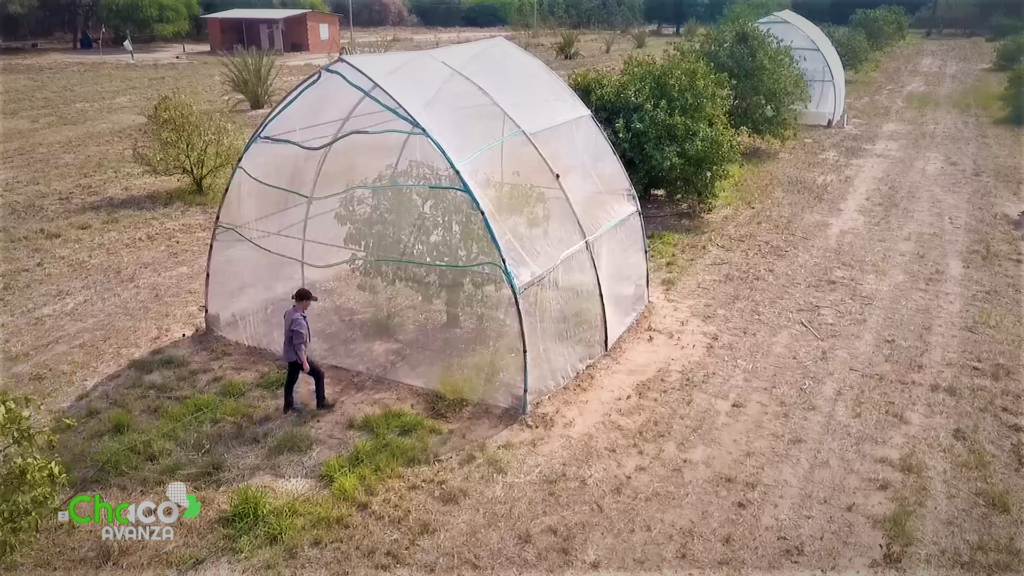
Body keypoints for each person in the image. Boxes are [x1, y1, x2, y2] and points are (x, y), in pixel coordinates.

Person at [282, 288, 334, 414]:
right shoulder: (299, 321)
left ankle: (288, 407)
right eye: (309, 301)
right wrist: (304, 362)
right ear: (304, 301)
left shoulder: (289, 311)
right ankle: (321, 404)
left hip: (289, 354)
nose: (310, 304)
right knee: (319, 375)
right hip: (297, 356)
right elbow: (299, 345)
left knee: (291, 380)